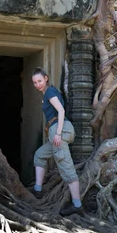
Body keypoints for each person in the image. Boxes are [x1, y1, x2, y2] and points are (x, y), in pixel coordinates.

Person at [31, 68, 83, 216]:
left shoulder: (50, 92)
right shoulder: (49, 93)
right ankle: (38, 190)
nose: (37, 84)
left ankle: (77, 204)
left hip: (59, 130)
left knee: (66, 166)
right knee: (39, 155)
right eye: (35, 82)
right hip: (60, 130)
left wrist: (58, 133)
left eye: (39, 81)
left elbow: (61, 111)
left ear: (46, 78)